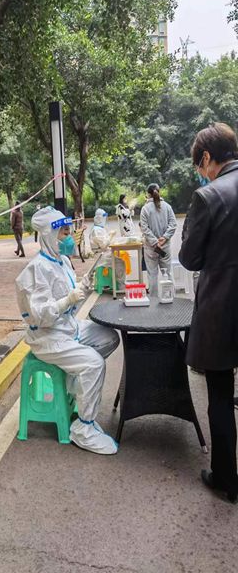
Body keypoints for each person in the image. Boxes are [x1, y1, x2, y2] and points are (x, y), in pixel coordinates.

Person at [15, 206, 120, 455]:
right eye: (64, 233)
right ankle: (83, 429)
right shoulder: (35, 270)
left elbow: (69, 300)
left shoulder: (61, 261)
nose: (69, 237)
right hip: (48, 338)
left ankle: (76, 382)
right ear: (49, 236)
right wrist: (68, 300)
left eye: (68, 231)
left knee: (108, 337)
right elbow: (40, 316)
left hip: (67, 328)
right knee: (93, 364)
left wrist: (83, 287)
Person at [179, 122, 238, 503]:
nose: (201, 173)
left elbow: (189, 258)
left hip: (222, 310)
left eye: (199, 166)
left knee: (220, 394)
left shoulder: (209, 196)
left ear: (206, 157)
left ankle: (226, 479)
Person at [140, 183, 176, 296]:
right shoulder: (167, 207)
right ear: (159, 192)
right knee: (168, 273)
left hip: (151, 248)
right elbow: (173, 224)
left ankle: (153, 299)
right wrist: (164, 238)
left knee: (152, 274)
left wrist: (155, 242)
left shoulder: (145, 209)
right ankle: (171, 297)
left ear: (148, 194)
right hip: (165, 247)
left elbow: (144, 228)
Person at [89, 208, 126, 288]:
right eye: (103, 217)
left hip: (104, 253)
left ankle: (117, 284)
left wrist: (109, 235)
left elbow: (104, 240)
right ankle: (120, 285)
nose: (105, 219)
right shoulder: (96, 230)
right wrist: (111, 235)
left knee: (120, 261)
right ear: (99, 218)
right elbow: (104, 245)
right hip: (100, 255)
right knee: (120, 263)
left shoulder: (99, 228)